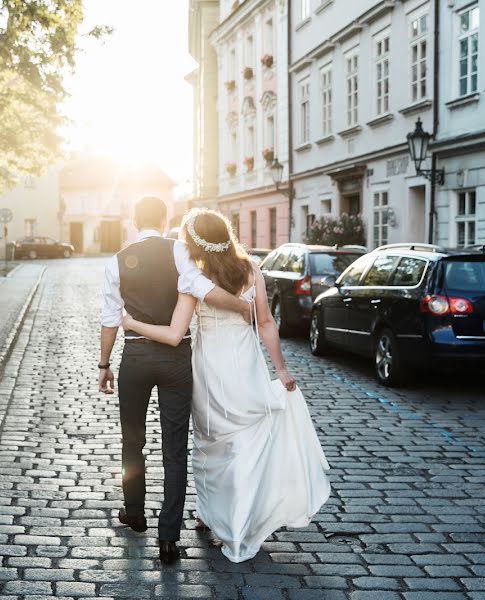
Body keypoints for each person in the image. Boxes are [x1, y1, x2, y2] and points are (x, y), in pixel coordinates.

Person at [122, 208, 331, 563]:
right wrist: (279, 369)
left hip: (208, 366)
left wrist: (131, 321)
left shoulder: (193, 275)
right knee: (243, 440)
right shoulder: (250, 269)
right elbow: (265, 322)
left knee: (209, 443)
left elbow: (179, 329)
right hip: (245, 364)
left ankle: (214, 517)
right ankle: (229, 517)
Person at [98, 197, 251, 565]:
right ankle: (168, 539)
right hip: (176, 359)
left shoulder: (115, 261)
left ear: (134, 220)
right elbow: (200, 289)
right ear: (165, 218)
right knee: (175, 449)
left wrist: (104, 364)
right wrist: (245, 306)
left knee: (132, 439)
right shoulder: (181, 252)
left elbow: (109, 320)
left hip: (135, 357)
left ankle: (134, 513)